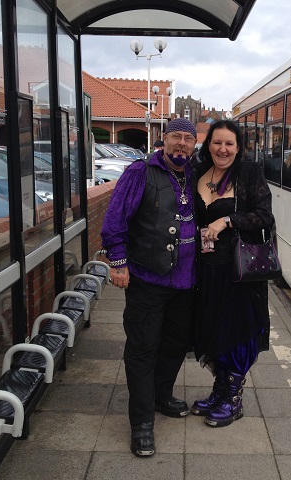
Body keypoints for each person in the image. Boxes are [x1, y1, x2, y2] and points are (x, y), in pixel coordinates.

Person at [100, 118, 198, 456]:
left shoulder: (197, 175)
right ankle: (141, 423)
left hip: (186, 282)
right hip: (146, 278)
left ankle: (161, 396)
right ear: (163, 140)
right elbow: (114, 220)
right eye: (176, 137)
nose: (181, 144)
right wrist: (117, 261)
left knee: (174, 345)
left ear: (194, 144)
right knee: (143, 348)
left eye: (188, 138)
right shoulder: (139, 172)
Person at [191, 120, 273, 427]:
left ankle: (233, 400)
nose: (222, 149)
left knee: (239, 331)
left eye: (229, 144)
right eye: (216, 142)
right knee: (214, 330)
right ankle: (220, 389)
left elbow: (264, 216)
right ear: (208, 144)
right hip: (207, 269)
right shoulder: (199, 173)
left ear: (238, 148)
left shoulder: (249, 174)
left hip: (240, 271)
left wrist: (227, 220)